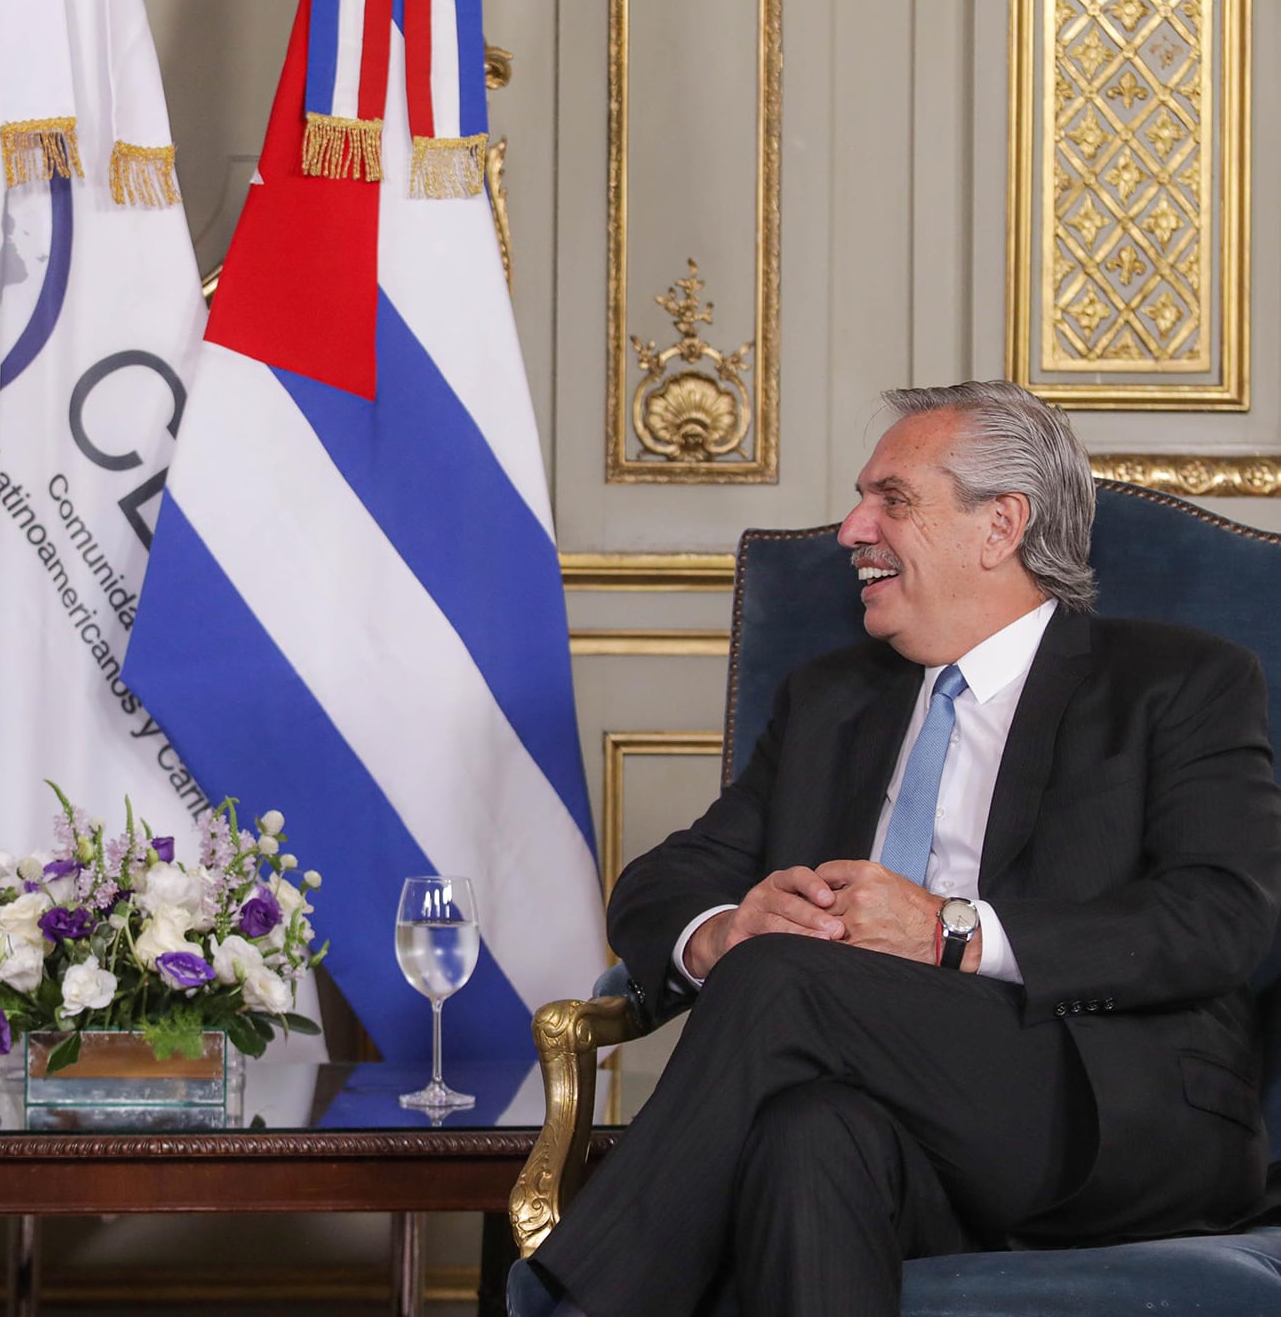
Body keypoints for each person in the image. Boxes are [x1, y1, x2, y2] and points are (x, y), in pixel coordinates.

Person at [531, 380, 1281, 1316]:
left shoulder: (1175, 683)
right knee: (808, 1136)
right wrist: (721, 931)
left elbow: (1223, 916)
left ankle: (585, 1299)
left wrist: (951, 933)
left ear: (1000, 526)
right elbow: (664, 882)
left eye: (893, 499)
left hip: (1104, 1113)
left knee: (781, 977)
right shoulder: (831, 701)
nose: (852, 529)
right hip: (899, 1130)